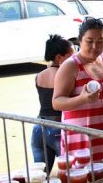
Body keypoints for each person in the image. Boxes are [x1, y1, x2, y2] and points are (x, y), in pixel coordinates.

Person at [53, 16, 103, 162]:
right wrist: (82, 99)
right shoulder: (70, 66)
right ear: (80, 41)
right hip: (81, 143)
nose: (95, 46)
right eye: (90, 41)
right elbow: (56, 102)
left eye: (100, 41)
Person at [31, 34, 74, 173]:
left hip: (39, 128)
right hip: (58, 129)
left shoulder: (40, 75)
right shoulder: (65, 75)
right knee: (69, 174)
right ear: (59, 57)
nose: (74, 58)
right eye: (70, 55)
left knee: (41, 176)